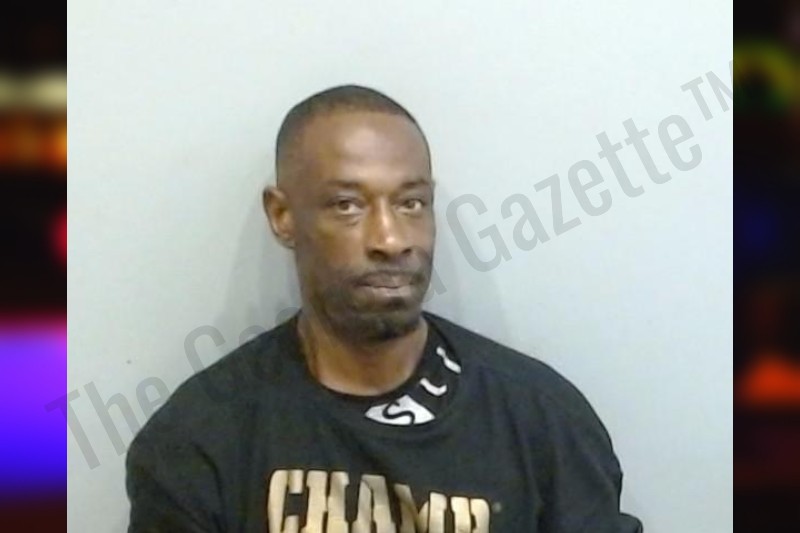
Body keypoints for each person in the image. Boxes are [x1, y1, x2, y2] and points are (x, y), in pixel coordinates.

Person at [126, 85, 643, 532]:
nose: (391, 239)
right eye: (347, 205)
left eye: (410, 203)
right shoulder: (201, 440)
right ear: (283, 216)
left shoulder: (542, 422)